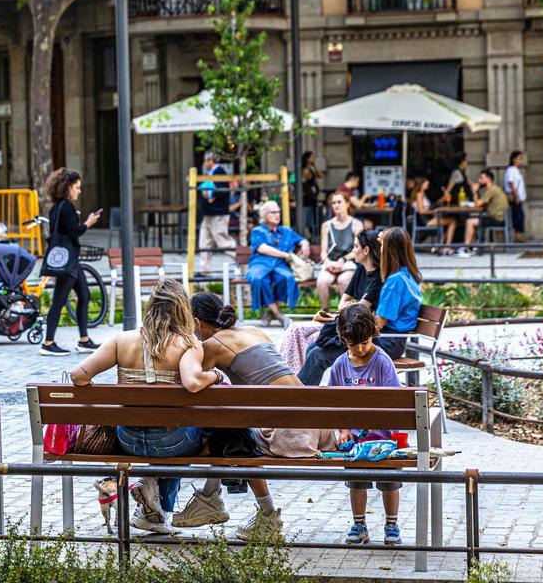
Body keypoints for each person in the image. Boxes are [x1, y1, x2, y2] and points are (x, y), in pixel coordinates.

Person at [69, 278, 221, 535]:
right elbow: (194, 383)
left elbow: (78, 376)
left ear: (150, 307)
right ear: (183, 309)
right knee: (196, 434)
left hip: (128, 438)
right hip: (172, 441)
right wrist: (215, 376)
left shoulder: (121, 340)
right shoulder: (188, 343)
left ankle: (152, 502)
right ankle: (157, 503)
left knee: (171, 436)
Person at [172, 291, 296, 539]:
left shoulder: (212, 345)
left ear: (197, 323)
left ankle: (230, 505)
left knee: (229, 430)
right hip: (308, 423)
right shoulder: (254, 331)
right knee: (228, 422)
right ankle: (212, 499)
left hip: (283, 432)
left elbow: (191, 387)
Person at [329, 303, 405, 547]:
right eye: (354, 344)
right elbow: (335, 403)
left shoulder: (382, 362)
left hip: (383, 439)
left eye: (365, 342)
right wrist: (343, 431)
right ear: (343, 339)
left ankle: (391, 523)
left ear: (373, 334)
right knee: (356, 480)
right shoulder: (340, 365)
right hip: (355, 442)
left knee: (388, 482)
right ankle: (359, 524)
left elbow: (394, 401)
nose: (360, 348)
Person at [297, 229, 384, 384]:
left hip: (364, 339)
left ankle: (299, 398)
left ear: (366, 250)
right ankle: (302, 394)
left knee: (317, 355)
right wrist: (350, 307)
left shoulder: (378, 278)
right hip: (354, 330)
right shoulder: (361, 270)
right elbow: (343, 302)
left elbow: (361, 309)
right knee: (312, 348)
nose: (353, 251)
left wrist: (350, 307)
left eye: (356, 246)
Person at [40, 168, 101, 356]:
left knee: (84, 295)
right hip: (69, 263)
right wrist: (88, 223)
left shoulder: (55, 208)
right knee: (59, 301)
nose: (79, 191)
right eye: (77, 187)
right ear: (67, 188)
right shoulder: (67, 207)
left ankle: (84, 339)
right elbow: (74, 232)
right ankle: (48, 343)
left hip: (69, 261)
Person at [247, 200, 312, 327]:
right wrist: (286, 255)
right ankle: (277, 314)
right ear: (265, 215)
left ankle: (271, 312)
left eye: (278, 212)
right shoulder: (258, 231)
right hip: (260, 263)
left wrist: (305, 243)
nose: (277, 215)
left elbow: (301, 239)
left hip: (280, 265)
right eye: (273, 212)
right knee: (258, 279)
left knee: (287, 278)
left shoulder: (286, 231)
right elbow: (262, 248)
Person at [316, 192, 362, 311]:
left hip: (348, 262)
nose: (336, 205)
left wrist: (343, 260)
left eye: (339, 202)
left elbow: (358, 250)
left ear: (347, 204)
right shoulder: (326, 225)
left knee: (344, 281)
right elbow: (323, 251)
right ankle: (325, 312)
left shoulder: (356, 224)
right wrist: (327, 262)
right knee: (322, 281)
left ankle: (344, 314)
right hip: (331, 263)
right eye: (333, 203)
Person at [458, 168, 510, 257]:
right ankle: (472, 247)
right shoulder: (493, 188)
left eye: (481, 178)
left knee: (470, 222)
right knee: (473, 220)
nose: (479, 180)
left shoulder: (491, 190)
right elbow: (481, 204)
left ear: (488, 179)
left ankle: (466, 250)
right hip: (497, 218)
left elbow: (478, 204)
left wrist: (474, 191)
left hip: (496, 219)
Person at [197, 152, 234, 273]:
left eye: (205, 161)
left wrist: (212, 196)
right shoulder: (211, 173)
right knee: (204, 242)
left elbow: (224, 191)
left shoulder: (220, 172)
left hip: (218, 214)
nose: (204, 163)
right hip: (209, 214)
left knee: (223, 241)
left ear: (210, 160)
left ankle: (242, 260)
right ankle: (204, 270)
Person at [503, 151, 526, 240]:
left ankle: (518, 234)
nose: (521, 160)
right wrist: (516, 196)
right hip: (515, 197)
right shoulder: (511, 170)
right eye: (519, 158)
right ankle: (517, 235)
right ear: (514, 159)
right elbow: (511, 183)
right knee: (518, 216)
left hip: (519, 198)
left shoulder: (516, 170)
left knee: (520, 215)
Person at [301, 151, 323, 231]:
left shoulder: (311, 168)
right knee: (311, 214)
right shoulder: (305, 170)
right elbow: (303, 183)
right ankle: (311, 230)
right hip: (308, 196)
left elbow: (320, 175)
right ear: (307, 159)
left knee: (314, 213)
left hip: (313, 195)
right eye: (312, 157)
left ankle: (313, 229)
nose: (314, 159)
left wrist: (315, 165)